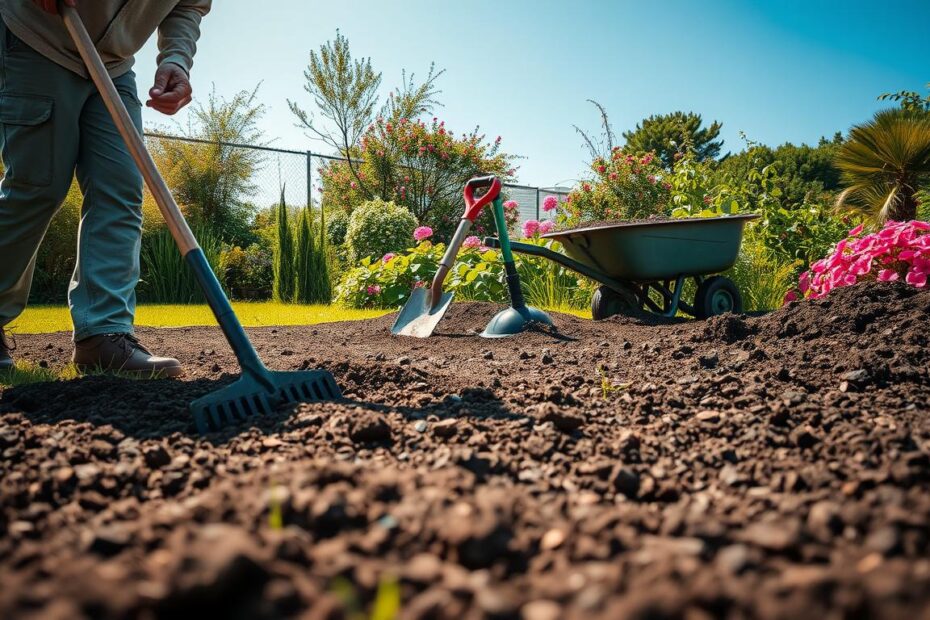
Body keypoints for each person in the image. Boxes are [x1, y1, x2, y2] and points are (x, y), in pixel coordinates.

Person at [0, 0, 211, 376]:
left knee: (122, 188)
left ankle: (103, 334)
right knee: (38, 186)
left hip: (113, 66)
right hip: (38, 38)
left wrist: (176, 59)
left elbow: (189, 5)